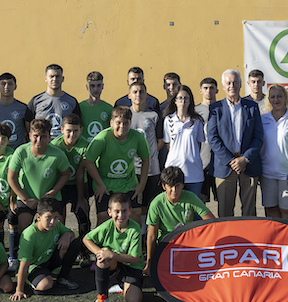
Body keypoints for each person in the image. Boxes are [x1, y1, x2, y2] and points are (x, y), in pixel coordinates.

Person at [6, 119, 71, 266]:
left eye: (43, 136)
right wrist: (25, 199)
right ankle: (25, 261)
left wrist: (52, 192)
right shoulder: (21, 152)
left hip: (50, 200)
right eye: (35, 136)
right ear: (29, 135)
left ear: (49, 137)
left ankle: (52, 263)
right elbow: (11, 178)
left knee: (56, 229)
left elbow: (65, 174)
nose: (39, 140)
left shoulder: (57, 154)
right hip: (27, 199)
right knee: (24, 228)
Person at [207, 69, 264, 217]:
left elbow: (258, 136)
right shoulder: (215, 108)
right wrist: (230, 160)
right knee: (225, 211)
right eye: (228, 83)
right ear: (223, 86)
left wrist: (245, 159)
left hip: (248, 164)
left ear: (240, 84)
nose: (232, 86)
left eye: (235, 82)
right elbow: (212, 137)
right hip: (225, 165)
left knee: (249, 211)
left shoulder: (252, 107)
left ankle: (248, 233)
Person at [83, 105, 150, 223]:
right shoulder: (103, 138)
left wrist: (141, 185)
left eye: (126, 123)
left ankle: (134, 236)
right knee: (103, 217)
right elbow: (87, 160)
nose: (122, 126)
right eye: (118, 122)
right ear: (111, 123)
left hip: (128, 182)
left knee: (135, 214)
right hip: (105, 184)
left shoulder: (137, 137)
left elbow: (146, 159)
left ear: (130, 123)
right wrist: (100, 183)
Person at [144, 166, 215, 273]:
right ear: (163, 186)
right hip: (166, 244)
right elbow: (152, 236)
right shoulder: (156, 204)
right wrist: (149, 263)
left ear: (183, 185)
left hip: (187, 242)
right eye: (170, 186)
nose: (174, 190)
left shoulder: (191, 197)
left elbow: (212, 222)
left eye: (177, 186)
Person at [84, 193, 144, 302]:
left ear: (130, 211)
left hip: (131, 267)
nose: (120, 215)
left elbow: (135, 259)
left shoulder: (135, 229)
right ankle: (102, 298)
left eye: (124, 211)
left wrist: (112, 255)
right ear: (109, 212)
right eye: (117, 211)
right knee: (102, 257)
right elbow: (86, 239)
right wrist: (99, 252)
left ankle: (122, 286)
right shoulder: (107, 226)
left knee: (134, 301)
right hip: (114, 263)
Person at [10, 199, 81, 300]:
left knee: (74, 242)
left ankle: (62, 277)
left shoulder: (56, 225)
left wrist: (67, 235)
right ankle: (33, 279)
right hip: (34, 266)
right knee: (45, 286)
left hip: (49, 260)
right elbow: (24, 265)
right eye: (48, 218)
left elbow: (71, 233)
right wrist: (19, 290)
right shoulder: (29, 236)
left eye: (56, 217)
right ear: (38, 217)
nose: (53, 222)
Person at [260, 84, 288, 221]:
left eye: (279, 96)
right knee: (271, 211)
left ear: (285, 98)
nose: (276, 99)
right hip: (267, 174)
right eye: (272, 97)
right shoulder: (262, 119)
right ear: (269, 99)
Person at [50, 114, 91, 237]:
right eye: (68, 131)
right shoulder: (55, 146)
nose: (72, 135)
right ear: (62, 130)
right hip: (60, 185)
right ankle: (58, 244)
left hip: (78, 184)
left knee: (83, 215)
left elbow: (80, 174)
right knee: (57, 218)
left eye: (75, 131)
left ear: (81, 130)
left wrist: (81, 198)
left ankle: (84, 245)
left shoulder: (85, 146)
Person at [162, 85, 207, 196]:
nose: (183, 101)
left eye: (186, 98)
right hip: (173, 170)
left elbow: (198, 144)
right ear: (175, 101)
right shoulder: (168, 120)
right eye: (180, 98)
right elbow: (168, 145)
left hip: (193, 172)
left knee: (194, 204)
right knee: (175, 203)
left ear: (190, 101)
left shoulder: (197, 121)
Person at [128, 82, 164, 213]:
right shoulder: (125, 115)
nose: (138, 95)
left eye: (141, 92)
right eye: (135, 92)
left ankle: (147, 228)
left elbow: (160, 141)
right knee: (133, 209)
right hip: (131, 170)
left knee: (150, 208)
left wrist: (147, 155)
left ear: (147, 95)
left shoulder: (154, 115)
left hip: (151, 170)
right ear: (129, 95)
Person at [27, 64, 81, 140]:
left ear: (62, 78)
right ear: (46, 79)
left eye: (57, 76)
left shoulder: (71, 101)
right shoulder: (36, 100)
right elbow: (28, 123)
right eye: (51, 76)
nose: (54, 79)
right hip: (42, 144)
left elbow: (77, 124)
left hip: (62, 145)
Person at [0, 72, 29, 149]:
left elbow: (28, 131)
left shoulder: (23, 108)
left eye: (10, 84)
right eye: (3, 84)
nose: (6, 87)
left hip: (17, 151)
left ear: (15, 86)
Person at [195, 77, 218, 202]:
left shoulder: (222, 108)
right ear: (200, 91)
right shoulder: (195, 111)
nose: (208, 91)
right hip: (201, 164)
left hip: (219, 163)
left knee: (223, 202)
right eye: (205, 88)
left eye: (211, 88)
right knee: (200, 202)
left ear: (217, 90)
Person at [79, 71, 112, 143]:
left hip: (102, 147)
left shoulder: (109, 108)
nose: (96, 89)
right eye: (92, 86)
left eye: (98, 85)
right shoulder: (80, 107)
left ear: (103, 86)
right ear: (87, 87)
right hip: (84, 147)